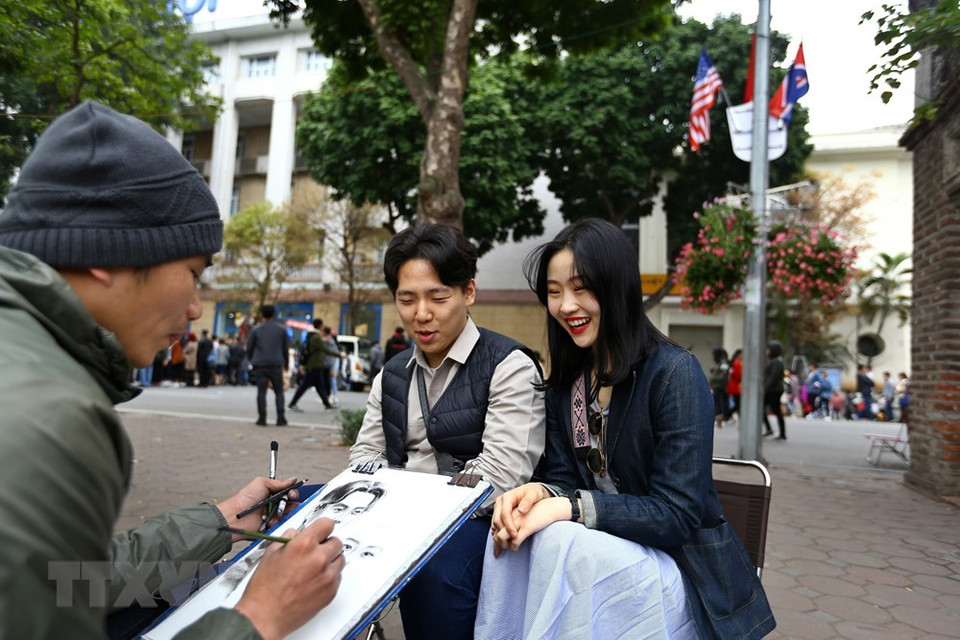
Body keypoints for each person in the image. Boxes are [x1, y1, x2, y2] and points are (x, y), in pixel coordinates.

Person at [0, 101, 345, 639]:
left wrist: (220, 521)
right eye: (192, 272)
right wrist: (259, 617)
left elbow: (67, 581)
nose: (193, 308)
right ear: (103, 251)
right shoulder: (50, 414)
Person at [478, 218, 774, 639]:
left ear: (616, 288)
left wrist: (571, 507)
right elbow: (563, 478)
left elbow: (677, 514)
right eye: (555, 292)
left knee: (565, 543)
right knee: (512, 541)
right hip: (607, 559)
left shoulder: (675, 375)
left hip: (683, 576)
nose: (565, 306)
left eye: (581, 288)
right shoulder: (570, 384)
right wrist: (540, 493)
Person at [348, 223, 546, 639]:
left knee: (435, 572)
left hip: (475, 524)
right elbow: (365, 456)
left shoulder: (508, 365)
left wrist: (409, 500)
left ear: (468, 292)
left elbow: (499, 474)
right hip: (392, 513)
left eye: (438, 297)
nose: (422, 313)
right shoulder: (391, 375)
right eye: (407, 299)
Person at [247, 304, 290, 426]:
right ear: (274, 314)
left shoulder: (256, 329)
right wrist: (286, 363)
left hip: (260, 363)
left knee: (261, 392)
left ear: (262, 314)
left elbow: (250, 347)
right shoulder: (282, 330)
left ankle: (262, 418)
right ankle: (280, 418)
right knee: (279, 391)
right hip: (276, 363)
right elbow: (285, 349)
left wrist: (252, 359)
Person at [288, 318, 342, 412]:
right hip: (314, 365)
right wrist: (339, 354)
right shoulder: (316, 337)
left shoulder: (312, 336)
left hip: (315, 365)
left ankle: (327, 404)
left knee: (319, 386)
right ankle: (292, 403)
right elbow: (325, 349)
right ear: (320, 326)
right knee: (305, 386)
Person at [763, 341, 787, 439]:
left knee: (775, 410)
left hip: (773, 390)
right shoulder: (775, 361)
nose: (767, 351)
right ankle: (775, 431)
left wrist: (765, 387)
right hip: (773, 389)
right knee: (775, 410)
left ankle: (779, 432)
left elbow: (774, 376)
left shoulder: (776, 362)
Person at [708, 347, 729, 429]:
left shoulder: (723, 363)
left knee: (720, 403)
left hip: (719, 386)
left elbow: (723, 375)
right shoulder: (717, 363)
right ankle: (718, 419)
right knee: (716, 402)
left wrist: (714, 377)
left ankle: (721, 420)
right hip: (715, 386)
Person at [725, 347, 743, 423]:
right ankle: (726, 415)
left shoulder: (734, 363)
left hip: (733, 385)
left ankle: (727, 415)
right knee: (738, 404)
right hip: (736, 386)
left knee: (737, 403)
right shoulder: (738, 363)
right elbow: (738, 375)